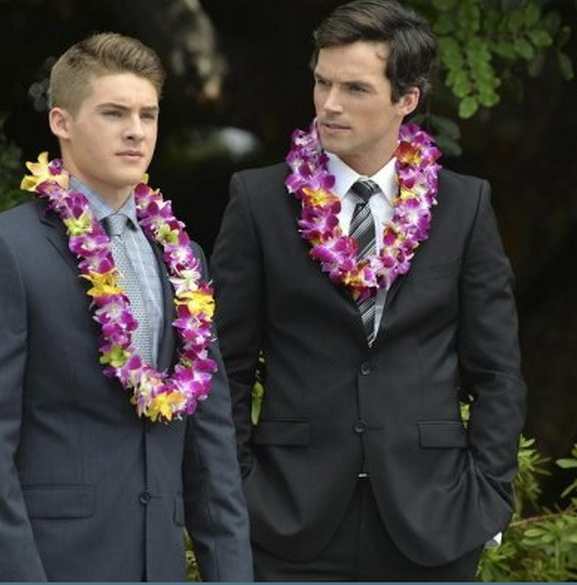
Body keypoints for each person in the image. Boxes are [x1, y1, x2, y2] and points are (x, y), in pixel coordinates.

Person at [210, 0, 526, 581]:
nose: (329, 104)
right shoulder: (258, 201)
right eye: (322, 82)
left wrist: (487, 498)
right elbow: (224, 364)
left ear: (406, 100)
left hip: (433, 520)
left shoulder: (464, 205)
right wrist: (239, 489)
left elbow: (497, 370)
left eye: (355, 88)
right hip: (285, 519)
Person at [0, 32, 253, 582]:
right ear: (61, 122)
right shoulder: (4, 249)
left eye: (148, 115)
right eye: (114, 113)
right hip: (55, 564)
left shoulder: (183, 257)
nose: (136, 131)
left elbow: (211, 448)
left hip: (160, 565)